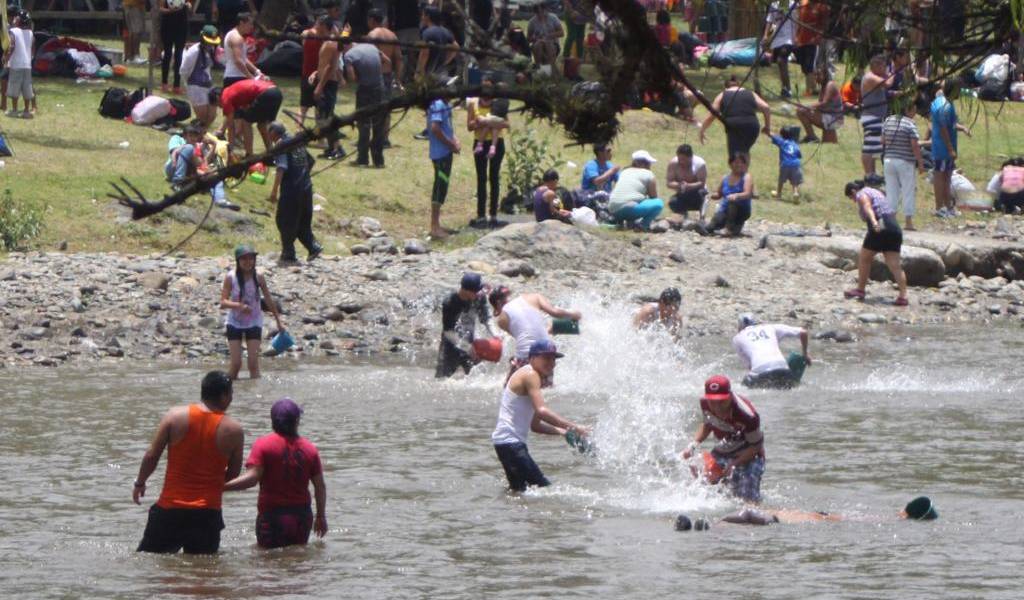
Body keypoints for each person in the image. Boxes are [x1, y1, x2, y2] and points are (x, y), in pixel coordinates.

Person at [134, 371, 244, 554]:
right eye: (231, 394)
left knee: (150, 566)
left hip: (169, 510)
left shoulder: (174, 416)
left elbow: (152, 456)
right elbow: (233, 473)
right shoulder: (234, 430)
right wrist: (208, 484)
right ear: (224, 396)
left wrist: (140, 482)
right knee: (203, 575)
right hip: (207, 513)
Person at [224, 398, 328, 549]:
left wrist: (222, 486)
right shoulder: (310, 449)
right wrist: (321, 516)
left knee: (268, 565)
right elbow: (320, 487)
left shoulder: (263, 445)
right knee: (297, 563)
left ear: (273, 421)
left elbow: (252, 478)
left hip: (272, 517)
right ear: (297, 421)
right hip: (302, 517)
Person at [492, 340, 588, 492]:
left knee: (520, 493)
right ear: (532, 358)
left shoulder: (530, 376)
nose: (551, 363)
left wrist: (564, 432)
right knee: (543, 490)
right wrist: (576, 428)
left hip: (506, 444)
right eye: (546, 358)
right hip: (511, 444)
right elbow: (542, 411)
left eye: (553, 359)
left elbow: (535, 425)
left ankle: (510, 515)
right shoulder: (531, 374)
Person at [681, 375, 766, 503]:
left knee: (748, 501)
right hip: (724, 450)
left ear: (730, 396)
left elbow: (756, 446)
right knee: (706, 491)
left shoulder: (748, 415)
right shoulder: (705, 403)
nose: (717, 407)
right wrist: (693, 445)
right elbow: (708, 424)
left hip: (750, 455)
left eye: (721, 402)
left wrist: (734, 464)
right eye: (713, 402)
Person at [219, 244, 286, 379]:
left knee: (253, 364)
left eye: (251, 259)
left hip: (254, 322)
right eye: (244, 259)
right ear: (238, 260)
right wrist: (239, 306)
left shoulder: (259, 277)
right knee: (236, 364)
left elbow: (268, 299)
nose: (248, 262)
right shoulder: (231, 277)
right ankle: (226, 391)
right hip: (234, 323)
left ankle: (256, 396)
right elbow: (223, 302)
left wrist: (279, 321)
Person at [489, 286, 582, 380]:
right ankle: (579, 325)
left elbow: (525, 338)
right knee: (546, 392)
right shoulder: (534, 297)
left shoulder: (501, 320)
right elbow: (555, 312)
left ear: (497, 304)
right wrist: (575, 315)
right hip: (548, 354)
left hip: (526, 358)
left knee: (510, 392)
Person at [842, 181, 908, 306]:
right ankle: (903, 296)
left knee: (864, 258)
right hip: (893, 226)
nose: (853, 201)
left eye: (851, 198)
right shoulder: (876, 192)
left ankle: (860, 290)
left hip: (879, 225)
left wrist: (873, 221)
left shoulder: (862, 194)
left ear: (853, 191)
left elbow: (867, 206)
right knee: (894, 264)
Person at [268, 122, 324, 263]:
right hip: (306, 188)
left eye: (270, 134)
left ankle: (288, 252)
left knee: (284, 220)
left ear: (274, 133)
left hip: (291, 190)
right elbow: (310, 161)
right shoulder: (297, 143)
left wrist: (274, 191)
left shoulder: (282, 146)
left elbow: (281, 168)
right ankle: (313, 247)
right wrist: (303, 174)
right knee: (302, 221)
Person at [436, 272, 499, 378]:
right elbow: (448, 332)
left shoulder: (479, 297)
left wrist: (496, 335)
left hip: (471, 344)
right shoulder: (450, 302)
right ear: (466, 291)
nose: (479, 293)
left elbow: (486, 319)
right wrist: (468, 348)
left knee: (480, 379)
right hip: (450, 347)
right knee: (442, 382)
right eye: (477, 291)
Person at [164, 122, 237, 211]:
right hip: (173, 168)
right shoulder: (177, 139)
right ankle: (178, 182)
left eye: (195, 135)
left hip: (191, 174)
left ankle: (220, 199)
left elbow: (204, 162)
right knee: (189, 148)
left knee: (215, 176)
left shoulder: (200, 146)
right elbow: (175, 153)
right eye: (190, 135)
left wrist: (213, 146)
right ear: (185, 135)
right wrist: (195, 161)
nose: (193, 138)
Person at [467, 79, 510, 228]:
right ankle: (480, 215)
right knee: (481, 178)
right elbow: (469, 126)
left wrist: (490, 122)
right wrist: (481, 122)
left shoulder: (498, 103)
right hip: (480, 142)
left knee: (494, 177)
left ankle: (493, 215)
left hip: (496, 144)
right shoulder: (473, 103)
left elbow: (506, 123)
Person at [343, 32, 389, 168]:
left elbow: (351, 77)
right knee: (378, 124)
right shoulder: (373, 48)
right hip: (379, 88)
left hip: (364, 90)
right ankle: (379, 160)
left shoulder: (349, 55)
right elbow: (387, 61)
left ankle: (362, 159)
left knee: (363, 124)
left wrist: (361, 78)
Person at [699, 76, 772, 159]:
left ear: (725, 87)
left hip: (734, 127)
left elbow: (712, 114)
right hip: (752, 126)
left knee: (735, 156)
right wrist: (767, 127)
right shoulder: (751, 93)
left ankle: (740, 171)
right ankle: (743, 170)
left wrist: (702, 130)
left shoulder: (722, 95)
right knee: (744, 151)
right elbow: (766, 107)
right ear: (739, 85)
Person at [732, 313, 811, 389]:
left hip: (762, 374)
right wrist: (805, 354)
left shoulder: (737, 339)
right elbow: (803, 332)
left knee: (742, 386)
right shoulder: (770, 327)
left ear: (740, 326)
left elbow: (750, 367)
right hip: (784, 369)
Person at [209, 78, 282, 157]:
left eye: (217, 105)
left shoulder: (225, 98)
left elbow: (231, 127)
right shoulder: (231, 91)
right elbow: (245, 107)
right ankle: (271, 152)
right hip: (276, 92)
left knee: (246, 122)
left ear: (217, 97)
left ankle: (249, 154)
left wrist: (230, 148)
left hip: (265, 94)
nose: (220, 107)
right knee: (262, 125)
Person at [881, 99, 925, 230]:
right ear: (907, 110)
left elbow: (882, 140)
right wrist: (921, 163)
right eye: (914, 110)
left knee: (891, 191)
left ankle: (891, 221)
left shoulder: (888, 120)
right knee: (908, 190)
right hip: (905, 161)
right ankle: (908, 222)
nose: (915, 113)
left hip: (889, 160)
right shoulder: (910, 124)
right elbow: (914, 145)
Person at [311, 17, 346, 161]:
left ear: (324, 25)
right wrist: (315, 74)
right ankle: (331, 148)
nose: (315, 28)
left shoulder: (331, 43)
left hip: (327, 85)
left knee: (327, 118)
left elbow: (330, 66)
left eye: (317, 25)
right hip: (325, 81)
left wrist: (320, 86)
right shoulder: (328, 41)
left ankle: (338, 148)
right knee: (323, 117)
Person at [367, 8, 402, 148]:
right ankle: (385, 138)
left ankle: (370, 137)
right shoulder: (392, 36)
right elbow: (399, 58)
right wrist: (398, 78)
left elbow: (368, 56)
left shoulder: (372, 35)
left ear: (371, 20)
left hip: (373, 75)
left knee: (369, 107)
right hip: (387, 75)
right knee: (386, 108)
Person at [931, 78, 966, 218]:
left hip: (945, 148)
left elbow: (950, 125)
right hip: (942, 148)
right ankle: (940, 207)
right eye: (958, 89)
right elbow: (943, 129)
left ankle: (948, 206)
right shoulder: (945, 106)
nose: (960, 92)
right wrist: (950, 148)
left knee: (947, 177)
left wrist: (962, 128)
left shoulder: (945, 103)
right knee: (941, 177)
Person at [427, 96, 460, 239]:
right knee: (440, 187)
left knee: (443, 187)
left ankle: (437, 224)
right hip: (440, 154)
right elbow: (435, 128)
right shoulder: (438, 104)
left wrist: (455, 140)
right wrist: (450, 144)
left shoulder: (446, 105)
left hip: (446, 153)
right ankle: (434, 227)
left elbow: (447, 127)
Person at [608, 150, 664, 230]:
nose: (649, 166)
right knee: (658, 203)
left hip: (613, 209)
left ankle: (622, 223)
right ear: (641, 163)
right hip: (629, 209)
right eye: (648, 163)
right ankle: (643, 225)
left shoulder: (624, 171)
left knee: (634, 201)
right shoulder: (648, 174)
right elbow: (653, 197)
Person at [179, 25, 222, 127]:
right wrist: (187, 85)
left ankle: (202, 134)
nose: (211, 44)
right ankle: (194, 134)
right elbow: (184, 70)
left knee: (211, 116)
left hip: (208, 85)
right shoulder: (194, 51)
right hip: (195, 86)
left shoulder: (212, 50)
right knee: (202, 117)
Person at [704, 152, 755, 236]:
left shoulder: (746, 177)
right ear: (730, 164)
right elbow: (718, 194)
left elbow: (748, 193)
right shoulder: (725, 178)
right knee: (711, 227)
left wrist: (736, 195)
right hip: (725, 209)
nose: (739, 165)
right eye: (736, 162)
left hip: (741, 210)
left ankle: (729, 228)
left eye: (741, 162)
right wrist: (710, 195)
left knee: (732, 203)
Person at [859, 55, 891, 175]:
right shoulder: (870, 77)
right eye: (883, 66)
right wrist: (891, 74)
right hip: (871, 116)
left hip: (876, 116)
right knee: (869, 146)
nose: (885, 69)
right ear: (876, 66)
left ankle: (873, 172)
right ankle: (868, 173)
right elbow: (887, 84)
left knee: (875, 147)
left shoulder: (875, 77)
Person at [796, 69, 844, 143]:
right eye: (815, 75)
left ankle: (812, 137)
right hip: (830, 117)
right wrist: (806, 107)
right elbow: (821, 106)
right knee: (801, 110)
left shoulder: (830, 85)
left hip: (834, 119)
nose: (816, 77)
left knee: (800, 111)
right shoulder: (824, 86)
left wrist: (807, 107)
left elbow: (824, 103)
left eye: (818, 75)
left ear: (825, 75)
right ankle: (811, 136)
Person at [666, 144, 708, 222]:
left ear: (691, 157)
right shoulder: (673, 164)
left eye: (684, 159)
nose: (681, 162)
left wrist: (689, 186)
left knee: (701, 194)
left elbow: (702, 183)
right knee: (673, 202)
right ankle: (682, 218)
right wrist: (679, 185)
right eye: (680, 159)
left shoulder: (700, 164)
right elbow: (669, 183)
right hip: (682, 193)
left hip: (698, 192)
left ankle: (700, 217)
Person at [3, 10, 33, 118]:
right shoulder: (30, 33)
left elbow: (11, 46)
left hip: (17, 64)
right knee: (27, 88)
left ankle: (14, 110)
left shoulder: (14, 31)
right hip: (27, 64)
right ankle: (26, 111)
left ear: (19, 20)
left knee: (14, 87)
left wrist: (6, 59)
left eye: (16, 18)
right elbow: (32, 47)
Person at [794, 0, 827, 95]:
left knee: (809, 65)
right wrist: (796, 36)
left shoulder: (821, 6)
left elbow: (823, 25)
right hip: (802, 40)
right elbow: (799, 22)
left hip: (813, 41)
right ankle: (814, 87)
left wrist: (817, 37)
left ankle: (809, 89)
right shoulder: (803, 4)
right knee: (804, 66)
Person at [417, 6, 458, 83]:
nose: (422, 18)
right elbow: (456, 47)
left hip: (429, 72)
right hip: (442, 71)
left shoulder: (427, 32)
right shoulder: (445, 30)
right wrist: (446, 61)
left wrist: (420, 71)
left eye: (423, 15)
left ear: (428, 16)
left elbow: (425, 52)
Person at [158, 0, 191, 94]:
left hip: (181, 25)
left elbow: (189, 4)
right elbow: (160, 9)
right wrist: (171, 10)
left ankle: (176, 85)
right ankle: (164, 83)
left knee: (179, 55)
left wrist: (188, 5)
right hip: (168, 25)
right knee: (167, 54)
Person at [765, 0, 796, 98]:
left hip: (788, 38)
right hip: (777, 38)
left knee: (781, 60)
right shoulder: (774, 5)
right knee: (780, 64)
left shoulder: (792, 4)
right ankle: (784, 88)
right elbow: (770, 21)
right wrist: (766, 35)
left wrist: (796, 37)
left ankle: (788, 89)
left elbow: (796, 22)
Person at [222, 12, 260, 88]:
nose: (251, 27)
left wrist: (257, 72)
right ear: (241, 23)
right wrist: (251, 78)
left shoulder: (235, 35)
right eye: (250, 24)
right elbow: (238, 61)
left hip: (236, 76)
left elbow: (244, 59)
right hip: (235, 77)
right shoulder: (236, 38)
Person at [766, 125, 803, 201]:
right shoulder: (795, 144)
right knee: (795, 181)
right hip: (796, 164)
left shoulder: (782, 141)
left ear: (782, 135)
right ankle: (795, 193)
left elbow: (773, 136)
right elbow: (799, 155)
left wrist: (767, 132)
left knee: (781, 180)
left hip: (785, 164)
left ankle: (778, 194)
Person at [526, 2, 563, 73]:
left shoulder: (553, 18)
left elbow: (561, 33)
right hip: (537, 45)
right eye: (538, 12)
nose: (540, 14)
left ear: (546, 9)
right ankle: (539, 67)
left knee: (546, 44)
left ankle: (548, 68)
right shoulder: (532, 22)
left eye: (542, 11)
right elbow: (528, 38)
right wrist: (534, 38)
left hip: (553, 44)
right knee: (539, 44)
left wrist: (548, 35)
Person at [123, 0, 147, 64]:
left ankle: (131, 56)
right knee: (136, 31)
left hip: (135, 6)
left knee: (134, 31)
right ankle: (135, 57)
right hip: (134, 6)